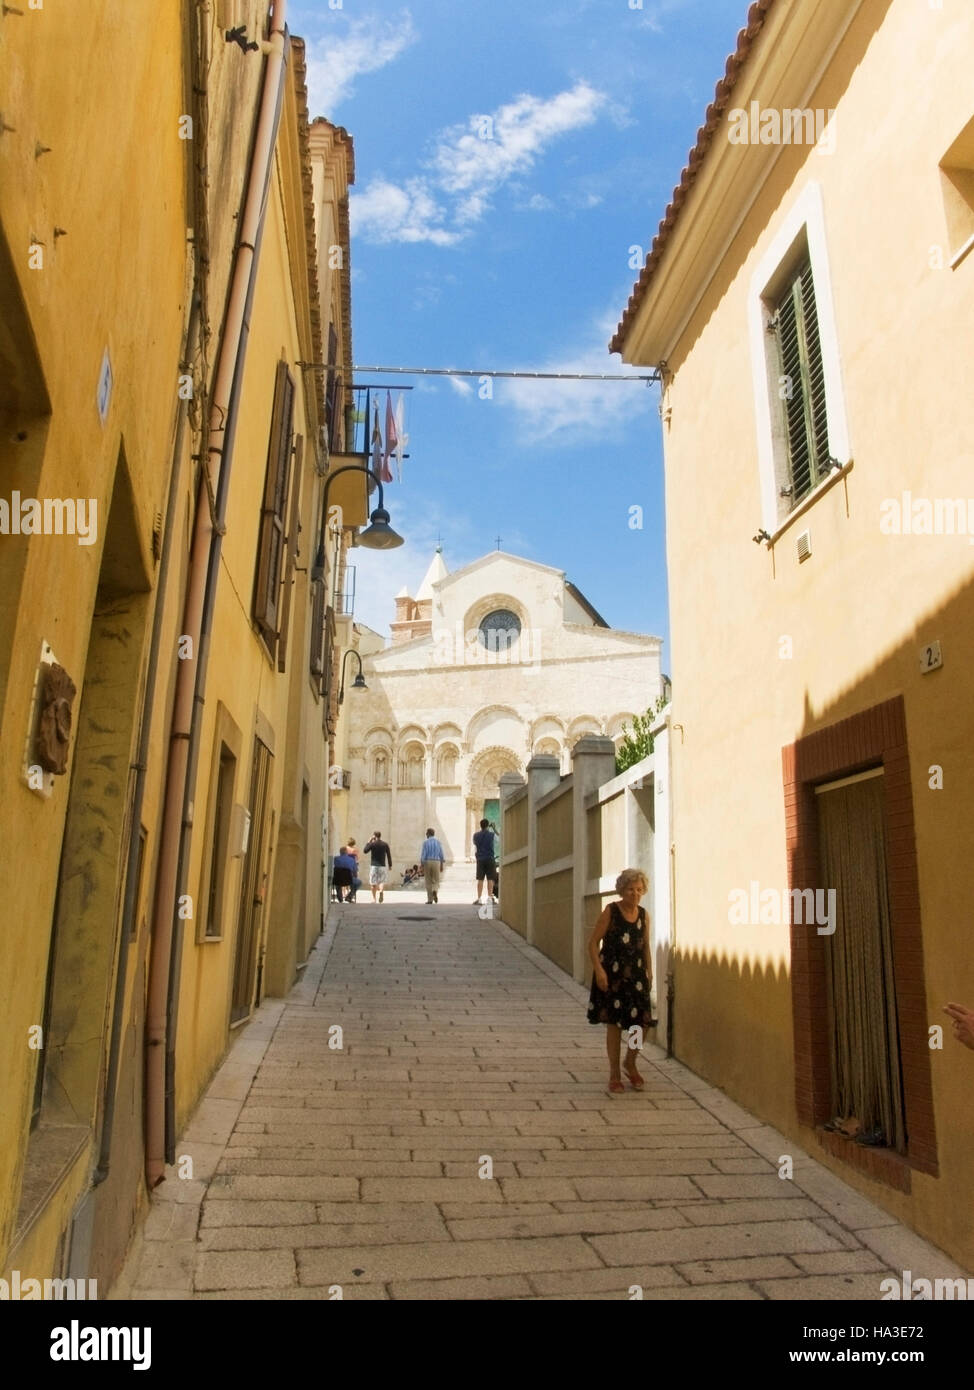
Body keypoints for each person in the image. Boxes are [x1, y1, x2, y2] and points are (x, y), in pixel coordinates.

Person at [587, 868, 654, 1093]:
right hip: (612, 976)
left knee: (641, 1025)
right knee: (614, 1025)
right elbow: (593, 944)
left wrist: (650, 972)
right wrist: (599, 971)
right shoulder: (611, 912)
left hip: (636, 977)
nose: (635, 894)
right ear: (622, 890)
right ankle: (615, 1073)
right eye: (630, 889)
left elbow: (645, 947)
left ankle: (630, 1061)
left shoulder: (644, 915)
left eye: (639, 890)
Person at [472, 818, 498, 905]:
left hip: (480, 859)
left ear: (480, 825)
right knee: (490, 879)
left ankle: (479, 899)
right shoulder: (492, 835)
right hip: (490, 858)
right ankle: (490, 898)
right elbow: (499, 839)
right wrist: (494, 829)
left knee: (480, 879)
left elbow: (475, 846)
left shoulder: (475, 835)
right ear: (487, 825)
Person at [365, 830, 392, 903]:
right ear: (380, 836)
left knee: (373, 883)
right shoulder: (385, 844)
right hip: (382, 866)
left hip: (374, 865)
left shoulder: (372, 844)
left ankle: (374, 899)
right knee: (381, 881)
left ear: (374, 836)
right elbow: (389, 855)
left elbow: (365, 851)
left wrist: (369, 841)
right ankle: (381, 891)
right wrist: (390, 865)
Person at [420, 828, 446, 904]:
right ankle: (435, 890)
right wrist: (441, 864)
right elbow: (441, 854)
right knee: (436, 880)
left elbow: (423, 855)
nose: (426, 834)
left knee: (428, 881)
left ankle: (430, 899)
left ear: (428, 834)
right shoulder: (438, 842)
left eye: (426, 833)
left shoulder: (425, 842)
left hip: (427, 861)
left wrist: (422, 864)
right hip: (436, 862)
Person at [345, 837, 361, 902]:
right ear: (353, 843)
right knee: (355, 882)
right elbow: (357, 859)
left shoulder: (344, 849)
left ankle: (346, 893)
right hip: (353, 867)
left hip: (345, 868)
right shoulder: (355, 850)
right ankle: (350, 896)